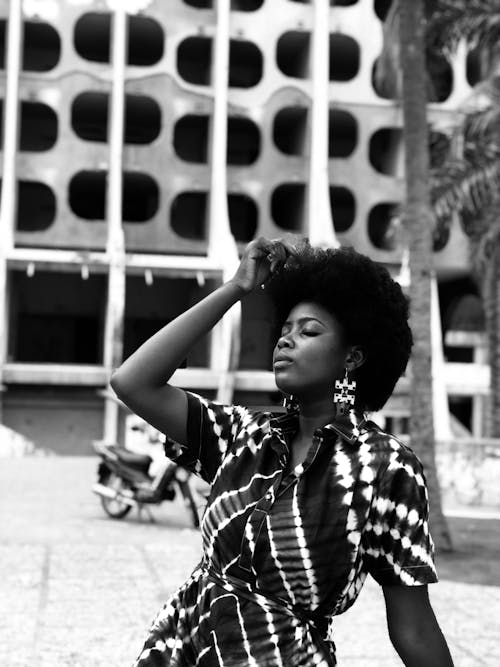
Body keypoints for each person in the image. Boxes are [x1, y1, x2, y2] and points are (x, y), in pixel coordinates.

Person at [111, 237, 454, 667]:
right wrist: (237, 287)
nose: (285, 341)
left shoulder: (386, 468)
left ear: (353, 357)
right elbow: (132, 382)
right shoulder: (242, 435)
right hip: (181, 650)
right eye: (284, 330)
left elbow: (414, 626)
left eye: (308, 331)